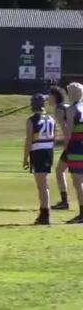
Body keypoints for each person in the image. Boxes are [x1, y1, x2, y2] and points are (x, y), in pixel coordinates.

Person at [22, 94, 55, 225]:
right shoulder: (51, 118)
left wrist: (25, 158)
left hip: (38, 152)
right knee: (44, 183)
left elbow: (29, 140)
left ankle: (45, 213)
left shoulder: (31, 120)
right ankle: (45, 211)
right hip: (48, 152)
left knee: (41, 184)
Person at [48, 86, 71, 210]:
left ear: (55, 97)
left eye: (50, 96)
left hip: (74, 144)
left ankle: (64, 202)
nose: (48, 99)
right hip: (77, 141)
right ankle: (64, 201)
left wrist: (66, 145)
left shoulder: (59, 110)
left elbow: (66, 129)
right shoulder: (66, 107)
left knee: (60, 171)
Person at [64, 82, 83, 224]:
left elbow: (68, 133)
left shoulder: (72, 109)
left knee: (78, 181)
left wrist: (65, 149)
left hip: (77, 148)